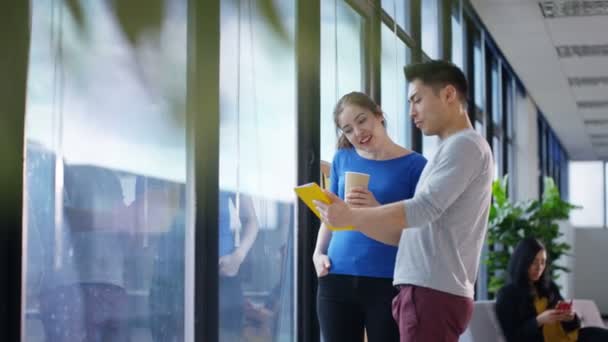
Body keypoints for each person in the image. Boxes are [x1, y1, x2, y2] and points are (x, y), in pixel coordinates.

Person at [315, 60, 494, 342]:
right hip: (416, 286)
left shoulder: (461, 147)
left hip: (426, 287)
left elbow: (422, 210)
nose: (412, 112)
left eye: (417, 100)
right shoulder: (452, 148)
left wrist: (354, 216)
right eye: (347, 129)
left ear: (448, 95)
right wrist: (320, 250)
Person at [314, 91, 427, 342]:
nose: (358, 132)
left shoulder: (416, 166)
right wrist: (317, 253)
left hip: (388, 281)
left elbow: (416, 236)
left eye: (362, 120)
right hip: (336, 277)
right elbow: (330, 216)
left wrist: (375, 209)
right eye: (348, 129)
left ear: (378, 114)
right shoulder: (342, 159)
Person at [495, 237, 608, 342]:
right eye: (534, 262)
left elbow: (574, 325)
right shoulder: (507, 294)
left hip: (569, 338)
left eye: (542, 262)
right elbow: (513, 337)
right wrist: (539, 321)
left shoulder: (548, 287)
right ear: (522, 262)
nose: (539, 267)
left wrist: (570, 317)